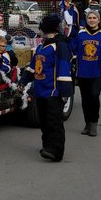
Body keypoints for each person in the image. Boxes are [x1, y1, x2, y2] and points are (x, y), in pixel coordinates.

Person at [26, 13, 72, 162]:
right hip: (40, 91)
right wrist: (23, 81)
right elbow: (33, 67)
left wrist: (65, 92)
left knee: (54, 122)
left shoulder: (60, 46)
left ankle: (56, 151)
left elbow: (64, 68)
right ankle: (47, 146)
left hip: (53, 92)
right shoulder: (41, 46)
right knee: (44, 121)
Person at [74, 8, 101, 136]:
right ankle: (87, 123)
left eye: (94, 18)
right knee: (85, 99)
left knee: (94, 95)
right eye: (89, 18)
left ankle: (94, 123)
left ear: (98, 20)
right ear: (86, 20)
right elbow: (72, 49)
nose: (92, 20)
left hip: (98, 73)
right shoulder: (80, 34)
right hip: (82, 73)